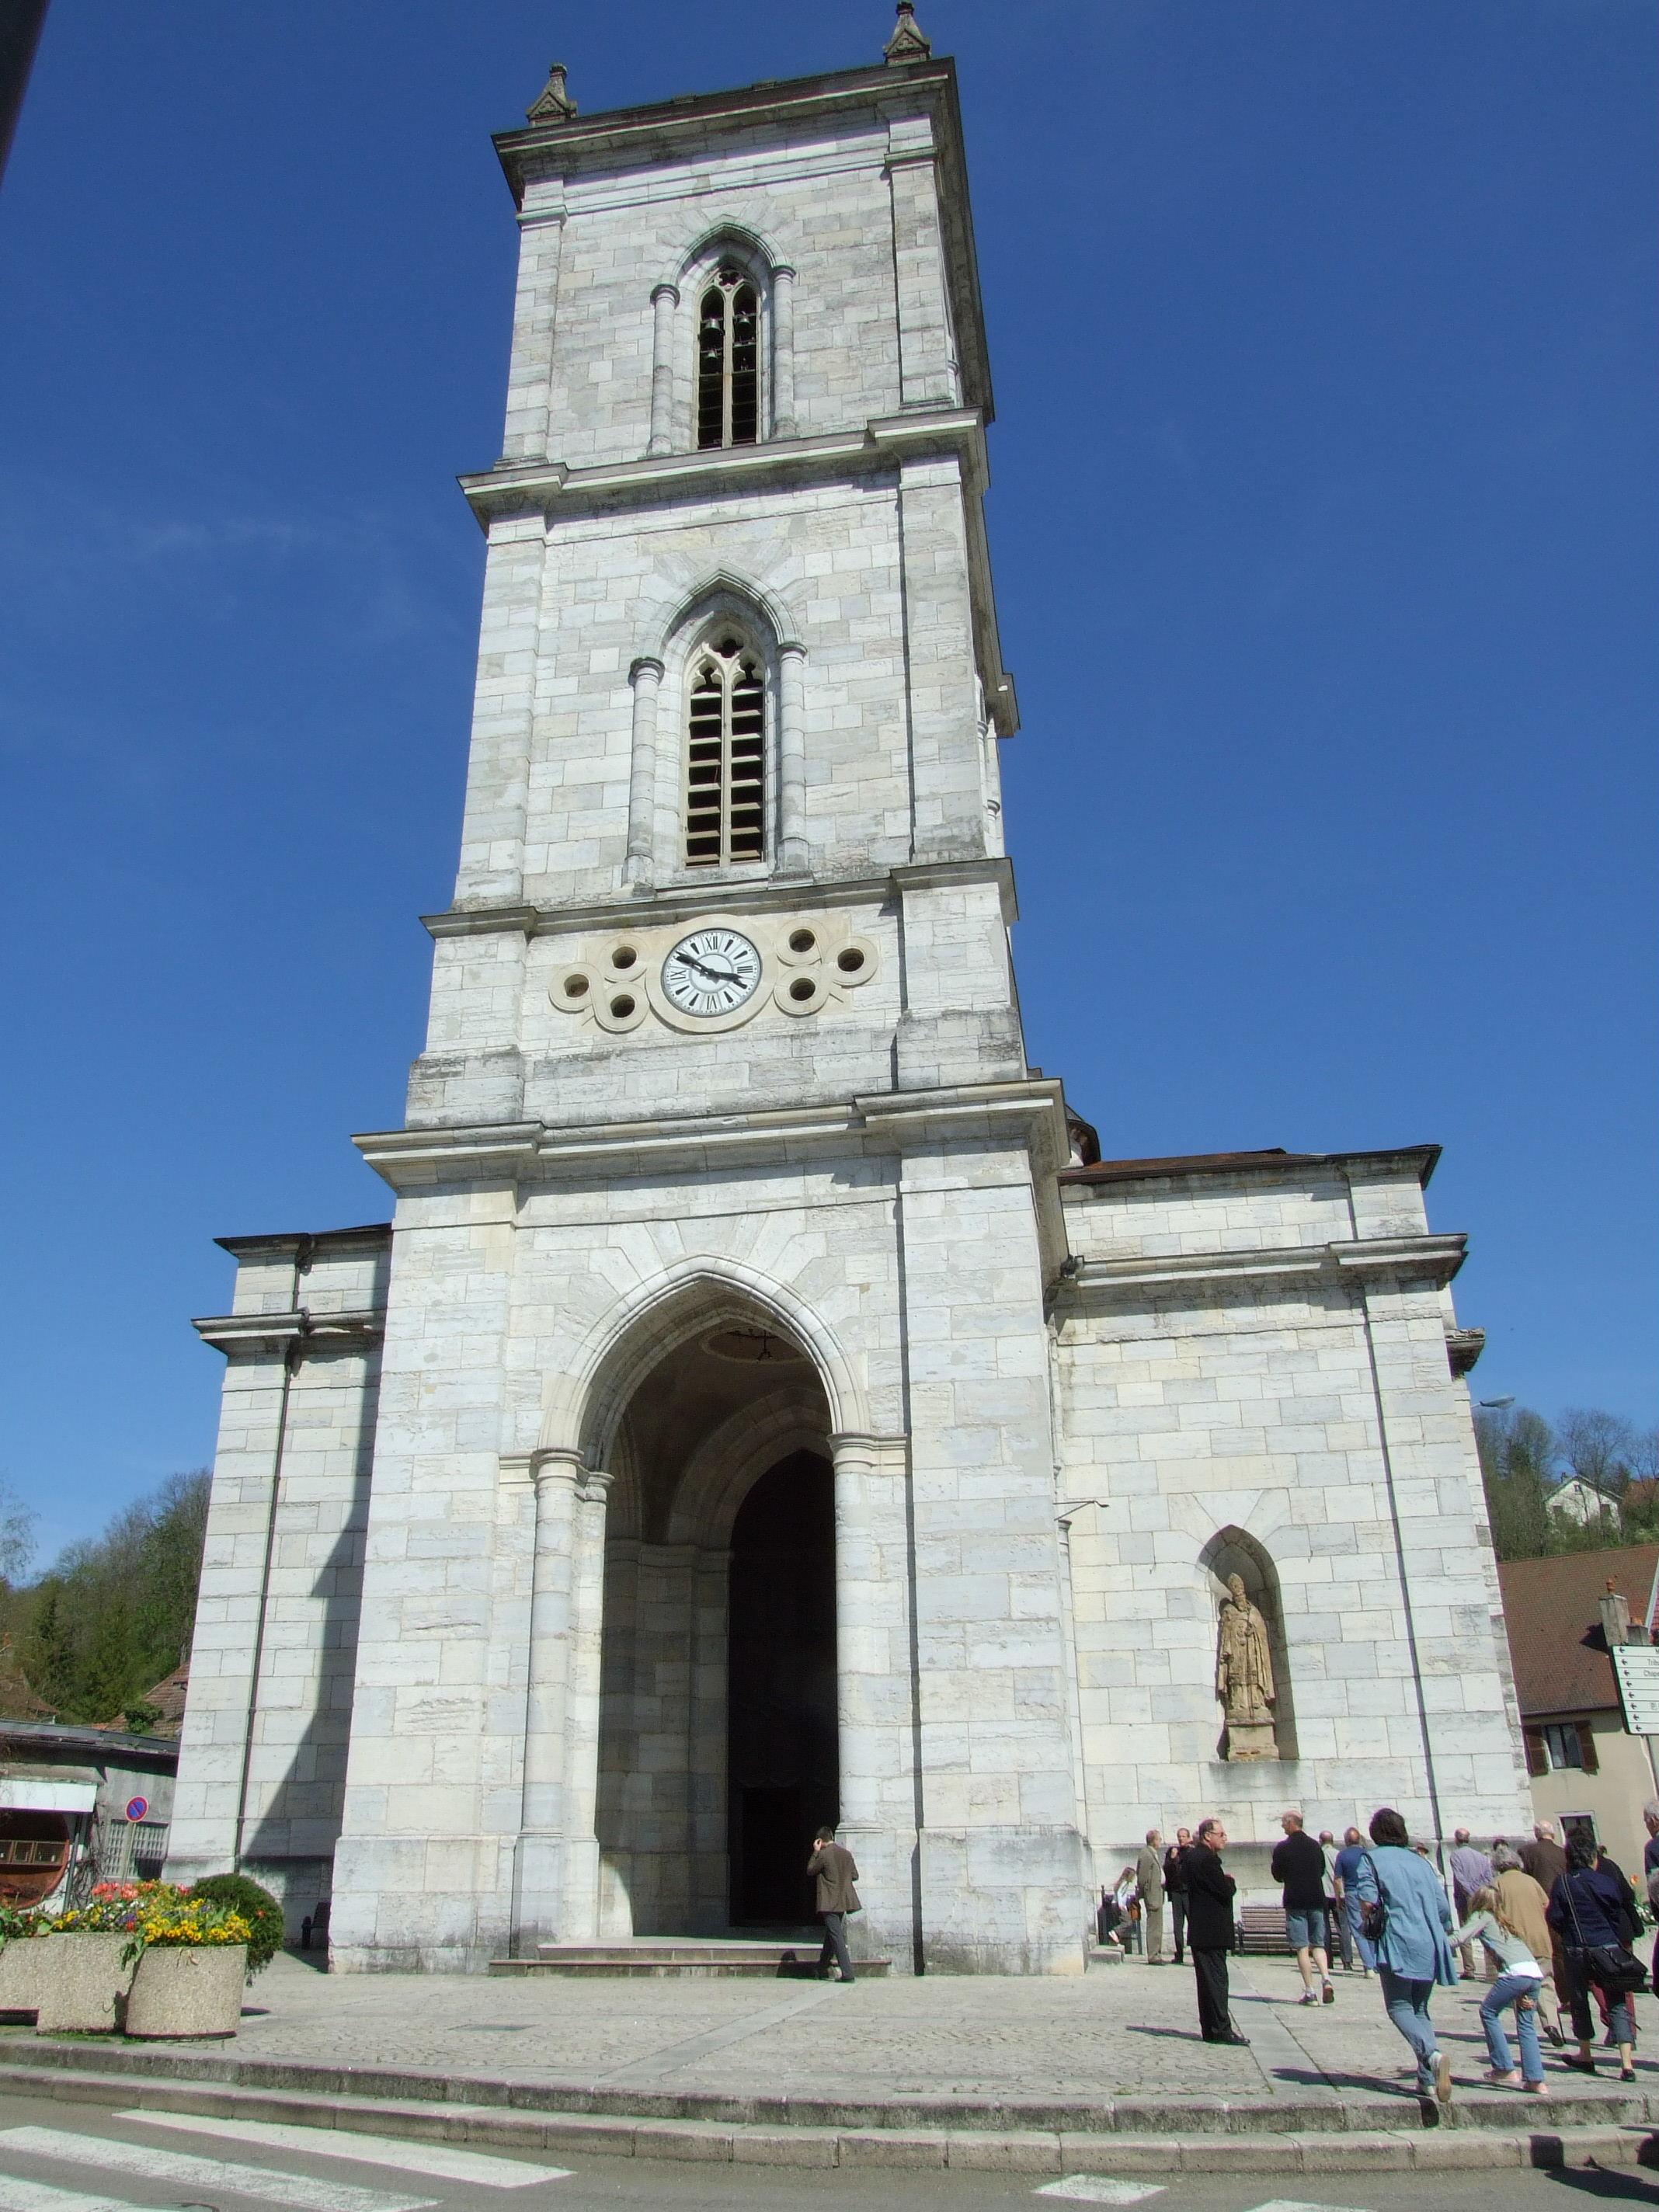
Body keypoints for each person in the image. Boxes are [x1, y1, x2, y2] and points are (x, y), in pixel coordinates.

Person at [1350, 1806, 1457, 2106]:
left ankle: (1432, 2057)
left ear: (1375, 1833)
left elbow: (1368, 1901)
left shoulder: (1370, 1859)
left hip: (1398, 1938)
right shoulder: (1419, 1861)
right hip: (1430, 1940)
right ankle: (1427, 2080)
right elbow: (1443, 1908)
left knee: (1399, 2007)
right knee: (1420, 2008)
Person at [1548, 1828, 1637, 2080]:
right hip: (1607, 1946)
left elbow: (1554, 1917)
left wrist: (1570, 1932)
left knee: (1579, 2000)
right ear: (1592, 1856)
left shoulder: (1562, 1882)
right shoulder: (1606, 1882)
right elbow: (1615, 1911)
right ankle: (1627, 2063)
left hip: (1576, 1947)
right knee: (1617, 2001)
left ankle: (1585, 2054)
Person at [1448, 1883, 1548, 2093]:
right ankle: (1536, 2080)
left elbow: (1459, 1938)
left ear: (1477, 1902)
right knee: (1526, 2024)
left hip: (1514, 1974)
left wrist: (1432, 1943)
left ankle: (1504, 2068)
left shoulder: (1482, 1916)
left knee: (1488, 2012)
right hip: (1533, 1973)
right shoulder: (1506, 1922)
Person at [1491, 1842, 1563, 2046]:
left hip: (1516, 1944)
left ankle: (1526, 2027)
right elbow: (1546, 1904)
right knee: (1547, 1983)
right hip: (1540, 1938)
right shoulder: (1531, 1882)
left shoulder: (1497, 1884)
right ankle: (1552, 2023)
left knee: (1519, 1986)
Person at [1184, 1817, 1246, 2044]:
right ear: (1208, 1836)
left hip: (1201, 1930)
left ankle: (1210, 2028)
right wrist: (1229, 1881)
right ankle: (1221, 2028)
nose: (1225, 1838)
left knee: (1206, 1983)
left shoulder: (1192, 1857)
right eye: (1221, 1834)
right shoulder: (1208, 1860)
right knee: (1217, 1982)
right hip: (1212, 1931)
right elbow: (1223, 1890)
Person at [1271, 1810, 1333, 2005]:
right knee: (1319, 1945)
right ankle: (1326, 1978)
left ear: (1291, 1823)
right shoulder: (1315, 1846)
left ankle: (1310, 1991)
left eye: (1283, 1823)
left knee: (1302, 1947)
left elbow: (1278, 1874)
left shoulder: (1282, 1848)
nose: (1282, 1826)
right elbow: (1321, 1870)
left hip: (1296, 1900)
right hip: (1316, 1899)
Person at [806, 1824, 860, 1984]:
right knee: (832, 1935)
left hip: (829, 1901)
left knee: (836, 1937)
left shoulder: (823, 1854)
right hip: (842, 1900)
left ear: (820, 1841)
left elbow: (810, 1870)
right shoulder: (846, 1854)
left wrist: (816, 1851)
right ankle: (822, 1968)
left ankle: (848, 1973)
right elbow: (855, 1876)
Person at [1448, 1829, 1495, 1980]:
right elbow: (1489, 1877)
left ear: (1457, 1840)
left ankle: (1470, 1969)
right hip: (1483, 1896)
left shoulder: (1456, 1855)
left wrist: (1470, 1893)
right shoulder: (1481, 1857)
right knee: (1486, 1930)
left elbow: (1460, 1877)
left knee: (1466, 1931)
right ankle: (1492, 1969)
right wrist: (1483, 1893)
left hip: (1466, 1898)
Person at [1332, 1825, 1374, 1976]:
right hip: (1369, 1892)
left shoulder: (1342, 1856)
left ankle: (1369, 1965)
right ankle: (1374, 1963)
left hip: (1351, 1893)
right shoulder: (1367, 1854)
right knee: (1372, 1927)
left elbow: (1337, 1880)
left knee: (1358, 1929)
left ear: (1346, 1841)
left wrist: (1338, 1898)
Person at [1319, 1830, 1353, 1971]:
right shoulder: (1338, 1854)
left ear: (1321, 1840)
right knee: (1343, 1928)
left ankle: (1328, 1960)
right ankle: (1347, 1960)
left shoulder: (1318, 1854)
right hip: (1339, 1894)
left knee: (1325, 1928)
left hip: (1324, 1894)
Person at [1136, 1830, 1167, 1963]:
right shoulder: (1146, 1854)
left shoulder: (1152, 1853)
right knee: (1154, 1925)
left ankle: (1157, 1953)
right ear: (1153, 1840)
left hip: (1157, 1894)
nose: (1160, 1842)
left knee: (1158, 1925)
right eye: (1159, 1839)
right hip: (1152, 1895)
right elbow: (1142, 1876)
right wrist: (1145, 1891)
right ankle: (1153, 1955)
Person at [1163, 1828, 1192, 1965]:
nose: (1181, 1839)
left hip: (1188, 1892)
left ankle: (1196, 1954)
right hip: (1176, 1892)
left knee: (1193, 1924)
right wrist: (1173, 1859)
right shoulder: (1172, 1852)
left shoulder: (1191, 1852)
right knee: (1177, 1926)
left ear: (1188, 1838)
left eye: (1183, 1836)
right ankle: (1179, 1953)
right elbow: (1168, 1871)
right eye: (1179, 1836)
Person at [1519, 1820, 1567, 1894]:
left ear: (1536, 1834)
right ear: (1553, 1834)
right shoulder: (1563, 1852)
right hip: (1561, 1894)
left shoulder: (1525, 1851)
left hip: (1538, 1895)